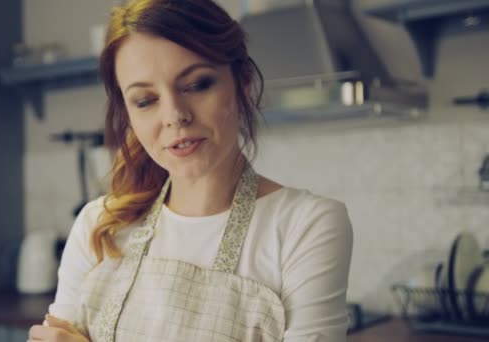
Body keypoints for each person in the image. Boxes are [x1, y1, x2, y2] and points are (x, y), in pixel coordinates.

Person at [27, 0, 353, 341]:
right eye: (145, 100)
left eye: (197, 85)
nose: (174, 115)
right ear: (128, 113)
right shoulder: (98, 227)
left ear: (242, 82)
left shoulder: (306, 226)